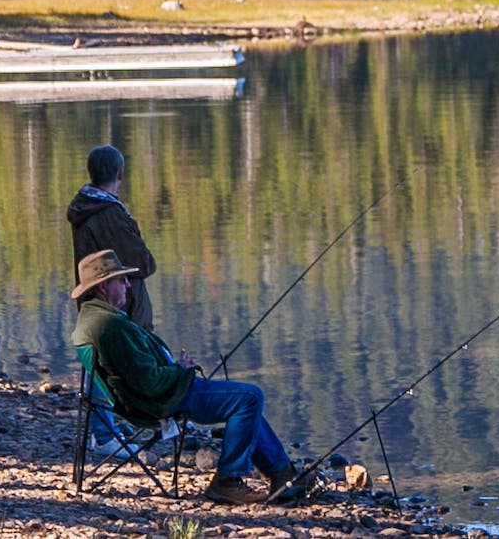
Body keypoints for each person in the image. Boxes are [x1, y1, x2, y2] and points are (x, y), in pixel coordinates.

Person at [70, 249, 321, 507]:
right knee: (249, 397)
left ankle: (284, 475)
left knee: (246, 400)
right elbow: (148, 381)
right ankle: (228, 482)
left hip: (155, 394)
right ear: (102, 287)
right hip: (159, 400)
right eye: (120, 280)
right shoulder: (109, 326)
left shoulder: (95, 319)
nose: (127, 285)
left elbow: (140, 373)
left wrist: (176, 367)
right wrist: (181, 370)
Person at [68, 144, 157, 329]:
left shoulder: (86, 207)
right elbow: (144, 263)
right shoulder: (109, 214)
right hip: (124, 321)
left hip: (98, 317)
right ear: (120, 174)